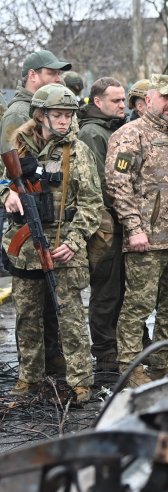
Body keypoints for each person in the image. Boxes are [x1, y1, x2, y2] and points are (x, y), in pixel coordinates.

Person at [2, 84, 103, 402]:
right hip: (24, 247)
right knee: (27, 315)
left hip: (62, 244)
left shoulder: (78, 151)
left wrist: (74, 241)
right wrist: (8, 194)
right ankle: (28, 378)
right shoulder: (17, 147)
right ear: (40, 115)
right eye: (57, 115)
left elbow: (92, 203)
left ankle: (81, 380)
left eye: (68, 115)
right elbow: (2, 183)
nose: (64, 121)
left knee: (70, 315)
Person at [105, 74, 168, 387]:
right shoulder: (130, 135)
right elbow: (117, 184)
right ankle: (131, 367)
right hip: (147, 242)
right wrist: (134, 228)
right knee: (138, 306)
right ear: (147, 101)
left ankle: (162, 364)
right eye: (165, 97)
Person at [0, 49, 71, 375]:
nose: (59, 77)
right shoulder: (19, 116)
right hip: (27, 222)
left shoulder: (47, 110)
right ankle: (34, 372)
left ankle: (48, 367)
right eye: (51, 72)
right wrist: (8, 192)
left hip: (47, 220)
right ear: (32, 75)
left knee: (48, 304)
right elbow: (6, 167)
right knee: (31, 307)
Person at [77, 77, 128, 373]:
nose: (122, 105)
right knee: (106, 288)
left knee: (120, 286)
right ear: (98, 102)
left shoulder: (113, 128)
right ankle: (105, 350)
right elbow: (100, 183)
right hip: (104, 223)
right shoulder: (93, 133)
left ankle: (116, 345)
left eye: (123, 100)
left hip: (118, 220)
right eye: (116, 101)